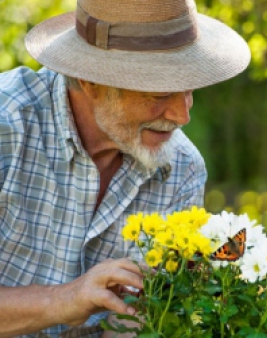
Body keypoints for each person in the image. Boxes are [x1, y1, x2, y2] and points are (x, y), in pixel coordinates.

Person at [0, 0, 250, 336]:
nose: (182, 115)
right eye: (160, 94)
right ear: (90, 81)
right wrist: (63, 300)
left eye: (189, 90)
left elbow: (139, 321)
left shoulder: (182, 169)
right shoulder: (8, 126)